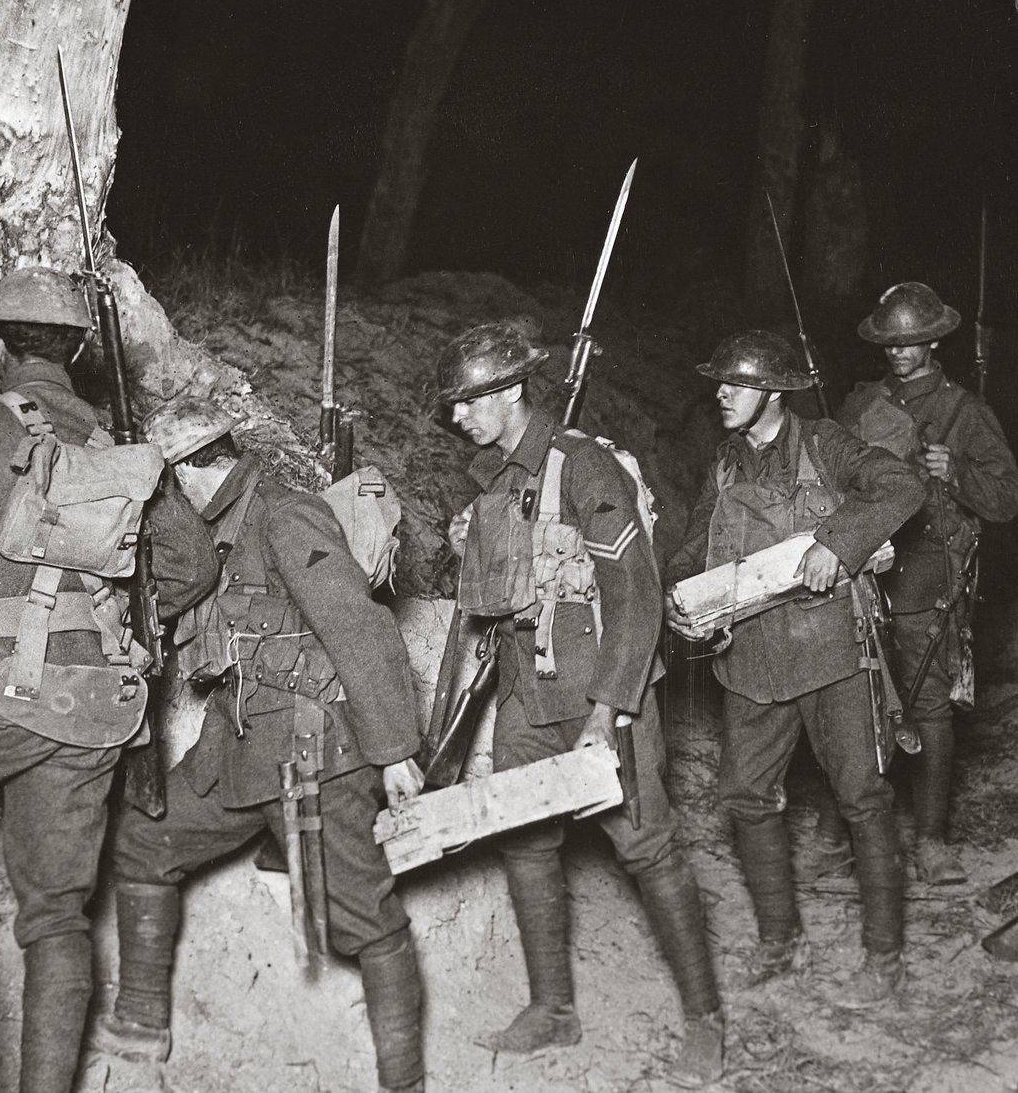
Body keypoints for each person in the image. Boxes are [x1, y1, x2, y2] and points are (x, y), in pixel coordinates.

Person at [0, 266, 217, 1093]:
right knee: (57, 914)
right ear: (77, 349)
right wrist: (115, 624)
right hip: (92, 705)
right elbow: (194, 567)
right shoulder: (117, 444)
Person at [94, 396, 427, 1093]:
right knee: (144, 843)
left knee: (362, 917)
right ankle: (141, 1022)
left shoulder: (283, 514)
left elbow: (360, 628)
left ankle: (404, 1083)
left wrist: (395, 751)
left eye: (163, 486)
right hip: (240, 751)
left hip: (315, 754)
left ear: (186, 473)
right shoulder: (223, 529)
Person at [436, 322, 724, 1089]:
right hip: (529, 699)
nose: (458, 418)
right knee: (526, 844)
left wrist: (609, 709)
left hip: (598, 696)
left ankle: (704, 1020)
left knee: (647, 848)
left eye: (467, 402)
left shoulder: (586, 466)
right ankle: (553, 1009)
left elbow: (636, 597)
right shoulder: (495, 481)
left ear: (508, 392)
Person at [665, 330, 925, 1008]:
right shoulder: (724, 462)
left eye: (737, 384)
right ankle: (781, 941)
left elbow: (902, 485)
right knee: (746, 799)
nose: (721, 394)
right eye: (719, 382)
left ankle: (884, 955)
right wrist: (682, 597)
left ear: (774, 392)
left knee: (862, 799)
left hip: (833, 651)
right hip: (749, 659)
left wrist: (838, 544)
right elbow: (696, 544)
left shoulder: (825, 444)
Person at [836, 283, 1018, 884]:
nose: (899, 353)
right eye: (890, 343)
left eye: (911, 342)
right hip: (864, 575)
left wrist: (957, 470)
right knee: (856, 703)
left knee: (928, 709)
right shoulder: (862, 403)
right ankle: (848, 833)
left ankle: (932, 840)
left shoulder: (965, 411)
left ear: (935, 340)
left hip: (926, 582)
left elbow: (1006, 499)